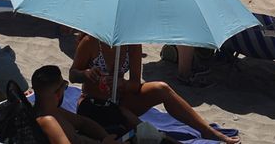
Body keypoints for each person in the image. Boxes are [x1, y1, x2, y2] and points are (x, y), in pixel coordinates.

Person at [70, 35, 236, 142]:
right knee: (136, 126)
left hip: (121, 98)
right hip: (94, 102)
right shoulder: (90, 43)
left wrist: (123, 84)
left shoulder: (132, 44)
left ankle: (206, 131)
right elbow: (73, 75)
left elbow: (135, 83)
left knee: (161, 88)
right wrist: (87, 74)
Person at [29, 64, 120, 144]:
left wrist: (105, 137)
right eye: (65, 86)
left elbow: (83, 123)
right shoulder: (47, 121)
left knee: (119, 130)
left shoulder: (53, 110)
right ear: (58, 93)